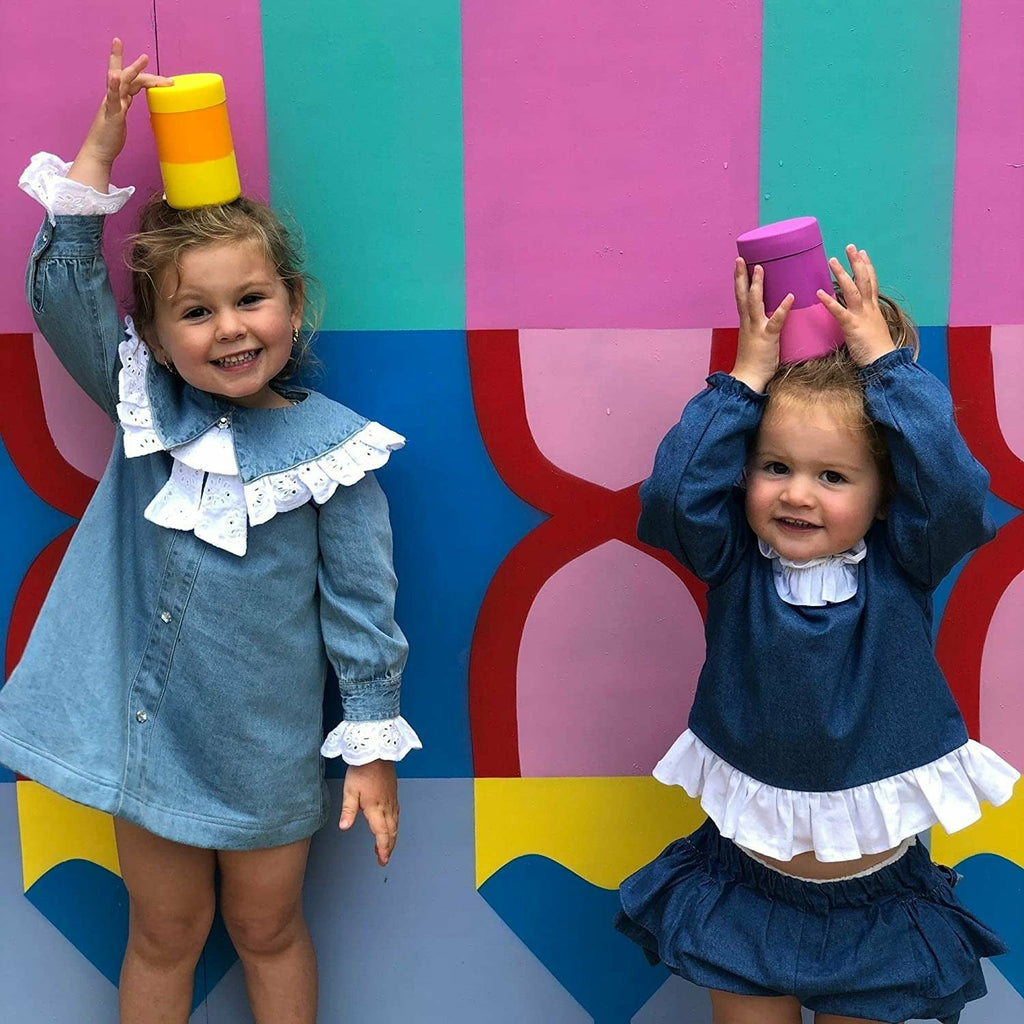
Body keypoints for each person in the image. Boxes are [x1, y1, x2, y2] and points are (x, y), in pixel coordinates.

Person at [0, 40, 421, 1024]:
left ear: (293, 305)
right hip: (150, 738)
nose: (229, 327)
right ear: (153, 334)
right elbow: (61, 293)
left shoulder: (334, 453)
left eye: (250, 300)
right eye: (196, 311)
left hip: (264, 748)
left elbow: (363, 609)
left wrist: (371, 747)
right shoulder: (145, 410)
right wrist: (101, 147)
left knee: (268, 930)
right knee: (163, 934)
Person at [615, 250, 1019, 1024]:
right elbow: (671, 496)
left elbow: (958, 495)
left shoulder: (904, 562)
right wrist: (744, 380)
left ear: (885, 495)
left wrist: (886, 369)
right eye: (776, 466)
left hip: (875, 910)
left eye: (833, 477)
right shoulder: (735, 561)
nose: (797, 494)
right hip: (744, 891)